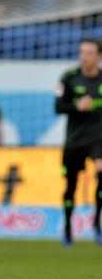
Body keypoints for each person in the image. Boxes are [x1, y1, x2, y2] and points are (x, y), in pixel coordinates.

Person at [55, 38, 102, 246]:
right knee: (71, 185)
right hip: (74, 140)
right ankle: (67, 227)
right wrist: (76, 106)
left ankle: (97, 223)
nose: (84, 57)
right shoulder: (68, 78)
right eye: (82, 52)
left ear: (99, 56)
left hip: (98, 139)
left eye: (89, 53)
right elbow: (58, 107)